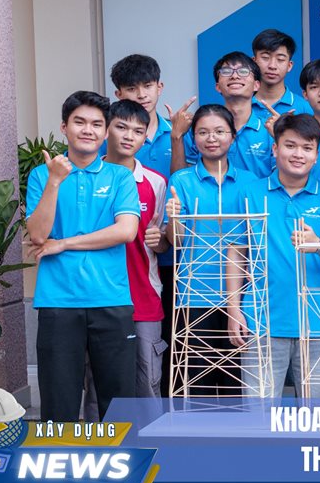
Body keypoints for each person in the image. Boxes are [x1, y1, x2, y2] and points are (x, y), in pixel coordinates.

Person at [26, 91, 140, 421]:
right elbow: (38, 235)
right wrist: (54, 181)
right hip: (58, 301)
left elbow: (126, 231)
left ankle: (122, 456)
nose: (88, 130)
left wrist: (63, 244)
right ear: (64, 127)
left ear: (106, 133)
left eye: (96, 124)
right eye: (79, 122)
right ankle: (60, 456)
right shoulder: (41, 176)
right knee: (58, 402)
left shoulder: (119, 176)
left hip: (111, 298)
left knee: (119, 403)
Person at [229, 114, 320, 398]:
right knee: (258, 415)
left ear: (316, 155)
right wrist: (234, 309)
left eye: (307, 148)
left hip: (318, 325)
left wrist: (318, 245)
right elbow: (236, 252)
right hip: (260, 322)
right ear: (275, 149)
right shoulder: (249, 193)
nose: (298, 154)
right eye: (290, 145)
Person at [165, 105, 251, 397]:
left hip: (244, 298)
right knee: (197, 387)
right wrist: (174, 218)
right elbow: (176, 241)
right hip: (195, 295)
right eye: (202, 132)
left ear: (233, 136)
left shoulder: (251, 182)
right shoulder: (181, 181)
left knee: (237, 388)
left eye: (219, 131)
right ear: (193, 138)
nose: (211, 138)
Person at [100, 100, 168, 401]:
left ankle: (151, 434)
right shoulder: (86, 176)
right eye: (121, 127)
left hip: (143, 294)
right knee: (99, 385)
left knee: (148, 382)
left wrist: (160, 240)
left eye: (138, 131)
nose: (129, 136)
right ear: (106, 130)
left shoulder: (156, 182)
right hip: (97, 295)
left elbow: (162, 240)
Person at [176, 52, 275, 178]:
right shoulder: (199, 128)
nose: (235, 76)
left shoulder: (270, 130)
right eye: (226, 71)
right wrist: (177, 136)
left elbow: (283, 180)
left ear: (256, 85)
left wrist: (279, 136)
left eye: (243, 71)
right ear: (218, 87)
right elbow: (181, 180)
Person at [109, 54, 175, 179]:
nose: (141, 95)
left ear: (159, 88)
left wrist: (177, 137)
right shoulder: (108, 135)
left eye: (147, 86)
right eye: (131, 88)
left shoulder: (180, 132)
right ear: (119, 94)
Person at [249, 28, 313, 123]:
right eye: (265, 57)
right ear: (253, 62)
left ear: (289, 66)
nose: (272, 66)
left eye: (280, 59)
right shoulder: (241, 105)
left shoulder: (304, 108)